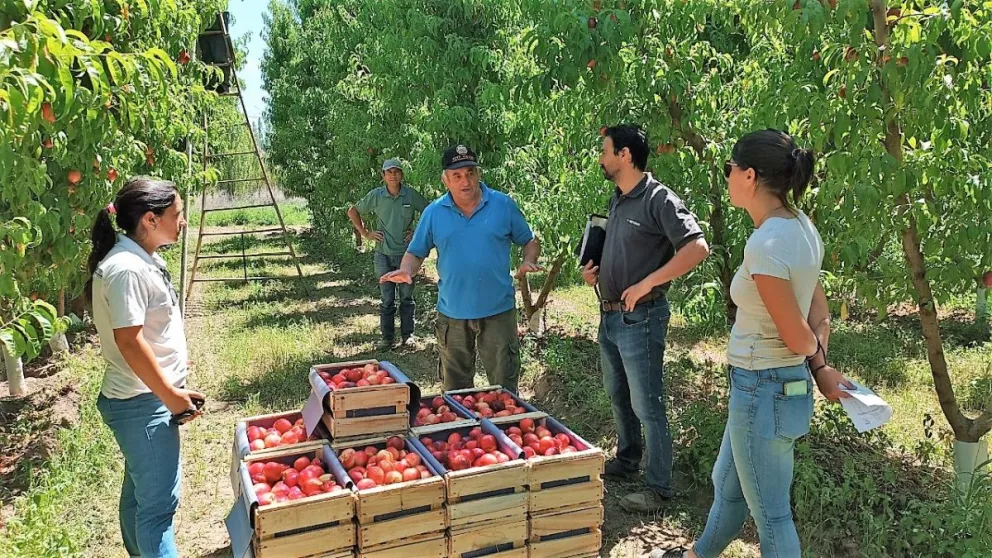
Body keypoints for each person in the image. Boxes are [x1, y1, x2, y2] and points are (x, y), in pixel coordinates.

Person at [654, 130, 853, 558]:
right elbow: (819, 312)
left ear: (749, 176)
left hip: (762, 388)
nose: (726, 177)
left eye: (729, 169)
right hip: (777, 387)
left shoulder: (765, 245)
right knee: (727, 485)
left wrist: (814, 355)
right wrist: (820, 366)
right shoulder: (802, 227)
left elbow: (796, 333)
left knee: (772, 515)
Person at [582, 124, 710, 513]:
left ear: (624, 155)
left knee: (648, 403)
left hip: (641, 318)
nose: (601, 159)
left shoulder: (658, 199)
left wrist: (646, 284)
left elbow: (697, 248)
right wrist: (595, 271)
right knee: (619, 396)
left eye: (605, 151)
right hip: (610, 317)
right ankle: (627, 459)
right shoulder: (619, 198)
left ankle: (659, 488)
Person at [88, 177, 204, 558]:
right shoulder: (127, 270)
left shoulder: (142, 259)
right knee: (157, 510)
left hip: (142, 397)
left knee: (139, 497)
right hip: (143, 402)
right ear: (150, 220)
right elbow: (129, 341)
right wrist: (172, 397)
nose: (183, 221)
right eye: (178, 214)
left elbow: (147, 331)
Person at [380, 144, 541, 393]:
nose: (465, 181)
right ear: (446, 180)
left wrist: (528, 259)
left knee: (504, 389)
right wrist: (407, 270)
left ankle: (502, 431)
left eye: (470, 173)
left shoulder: (502, 205)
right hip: (452, 313)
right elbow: (415, 251)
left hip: (498, 311)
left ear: (478, 174)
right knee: (455, 392)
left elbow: (530, 239)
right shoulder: (434, 212)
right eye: (457, 175)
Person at [348, 158, 430, 350]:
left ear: (401, 175)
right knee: (387, 298)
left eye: (396, 172)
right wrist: (365, 233)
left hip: (406, 256)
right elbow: (353, 211)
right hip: (383, 254)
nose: (393, 176)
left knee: (407, 297)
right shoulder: (376, 196)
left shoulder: (410, 196)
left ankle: (408, 336)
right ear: (383, 175)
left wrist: (417, 232)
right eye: (389, 172)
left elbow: (430, 212)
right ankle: (387, 338)